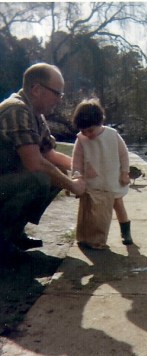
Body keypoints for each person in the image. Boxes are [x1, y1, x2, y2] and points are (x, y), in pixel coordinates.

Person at [0, 62, 86, 266]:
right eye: (57, 93)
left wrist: (82, 170)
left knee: (59, 174)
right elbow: (35, 162)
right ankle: (2, 244)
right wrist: (73, 185)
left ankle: (13, 233)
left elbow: (49, 154)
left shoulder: (35, 114)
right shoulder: (16, 110)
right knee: (40, 178)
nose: (59, 99)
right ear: (37, 89)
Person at [71, 98, 133, 249]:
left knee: (118, 205)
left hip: (112, 177)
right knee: (92, 209)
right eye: (83, 131)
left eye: (90, 130)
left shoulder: (112, 135)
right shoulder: (81, 140)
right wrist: (77, 175)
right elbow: (77, 160)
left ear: (99, 122)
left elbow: (124, 154)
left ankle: (125, 231)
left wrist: (125, 173)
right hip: (93, 182)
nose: (87, 134)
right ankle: (89, 234)